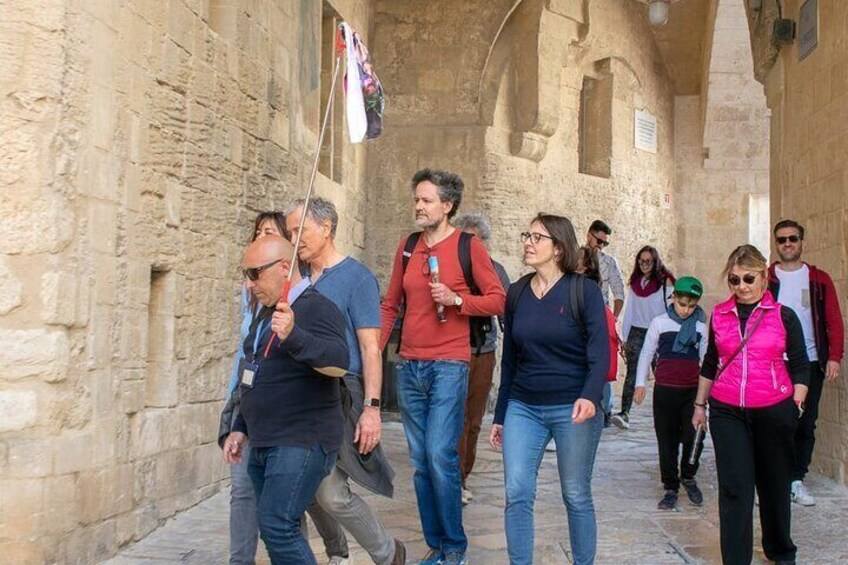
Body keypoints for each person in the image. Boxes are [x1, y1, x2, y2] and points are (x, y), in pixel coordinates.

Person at [380, 169, 506, 565]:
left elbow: (498, 300)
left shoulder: (469, 247)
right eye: (416, 199)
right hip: (410, 365)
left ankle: (455, 547)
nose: (418, 206)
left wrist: (456, 301)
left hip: (450, 363)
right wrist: (371, 353)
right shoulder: (407, 246)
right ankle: (437, 545)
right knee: (420, 463)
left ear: (447, 205)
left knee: (440, 454)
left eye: (427, 200)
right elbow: (390, 306)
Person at [284, 198, 406, 565]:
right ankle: (338, 554)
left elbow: (371, 348)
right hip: (297, 394)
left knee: (332, 494)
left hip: (340, 395)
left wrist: (371, 409)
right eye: (289, 232)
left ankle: (388, 554)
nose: (294, 239)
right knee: (304, 490)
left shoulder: (357, 278)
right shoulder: (296, 277)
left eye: (300, 230)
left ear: (326, 227)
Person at [220, 235, 350, 565]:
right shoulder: (265, 314)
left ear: (284, 268)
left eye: (255, 273)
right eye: (245, 274)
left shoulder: (317, 307)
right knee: (274, 526)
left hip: (302, 439)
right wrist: (239, 426)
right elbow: (255, 374)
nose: (249, 284)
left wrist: (294, 335)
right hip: (264, 440)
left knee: (279, 525)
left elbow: (338, 362)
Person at [490, 215, 609, 565]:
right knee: (517, 492)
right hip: (524, 406)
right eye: (526, 234)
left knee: (575, 493)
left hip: (573, 407)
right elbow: (510, 359)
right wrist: (501, 416)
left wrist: (589, 396)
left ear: (558, 248)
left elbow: (599, 354)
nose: (527, 242)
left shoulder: (583, 291)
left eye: (536, 237)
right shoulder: (517, 292)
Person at [692, 245, 809, 565]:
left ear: (763, 277)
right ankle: (736, 559)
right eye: (733, 280)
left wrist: (797, 399)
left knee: (774, 485)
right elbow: (711, 362)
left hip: (774, 409)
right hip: (728, 409)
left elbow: (800, 363)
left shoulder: (784, 315)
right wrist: (700, 405)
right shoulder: (719, 315)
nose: (741, 286)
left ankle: (780, 550)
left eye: (748, 278)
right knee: (734, 488)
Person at [767, 219, 844, 507]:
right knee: (773, 423)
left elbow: (834, 320)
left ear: (801, 241)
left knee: (805, 423)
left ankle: (795, 480)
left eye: (793, 239)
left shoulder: (818, 279)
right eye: (782, 239)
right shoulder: (765, 278)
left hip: (809, 362)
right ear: (776, 243)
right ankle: (774, 481)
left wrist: (834, 356)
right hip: (774, 362)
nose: (788, 244)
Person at [225, 211, 286, 565]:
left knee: (284, 502)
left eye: (270, 233)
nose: (260, 237)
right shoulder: (250, 292)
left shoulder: (292, 297)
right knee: (241, 489)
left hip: (279, 407)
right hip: (244, 398)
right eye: (258, 232)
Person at [633, 276, 707, 510]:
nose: (686, 310)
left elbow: (706, 361)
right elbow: (647, 353)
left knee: (693, 436)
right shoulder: (660, 323)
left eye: (692, 306)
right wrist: (640, 383)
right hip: (665, 391)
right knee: (666, 440)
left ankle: (688, 474)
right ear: (673, 298)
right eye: (682, 303)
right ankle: (671, 486)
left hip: (692, 393)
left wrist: (705, 398)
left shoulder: (701, 328)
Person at [453, 211, 511, 506]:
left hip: (483, 351)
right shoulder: (450, 265)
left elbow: (506, 313)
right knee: (452, 418)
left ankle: (462, 476)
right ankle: (449, 477)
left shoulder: (496, 270)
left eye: (475, 241)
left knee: (473, 420)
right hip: (452, 351)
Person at [612, 246, 675, 430]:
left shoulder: (666, 282)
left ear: (655, 262)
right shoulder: (636, 282)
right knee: (632, 372)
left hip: (659, 332)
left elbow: (671, 309)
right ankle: (625, 412)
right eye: (641, 261)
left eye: (648, 261)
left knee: (662, 373)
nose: (644, 264)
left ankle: (668, 413)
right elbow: (630, 308)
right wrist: (624, 334)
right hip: (637, 332)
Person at [585, 220, 625, 426]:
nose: (600, 246)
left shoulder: (609, 262)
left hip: (600, 315)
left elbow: (619, 291)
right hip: (578, 315)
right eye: (598, 240)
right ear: (589, 234)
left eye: (604, 243)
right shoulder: (577, 258)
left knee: (604, 359)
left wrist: (614, 316)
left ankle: (605, 409)